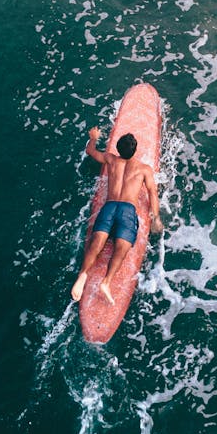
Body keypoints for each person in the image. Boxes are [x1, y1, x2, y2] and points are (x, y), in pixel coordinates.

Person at [70, 127, 163, 303]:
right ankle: (107, 282)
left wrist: (93, 138)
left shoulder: (110, 159)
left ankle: (82, 276)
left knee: (97, 241)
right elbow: (152, 192)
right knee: (122, 246)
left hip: (109, 207)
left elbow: (90, 151)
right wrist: (156, 217)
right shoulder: (144, 169)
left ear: (118, 150)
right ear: (135, 150)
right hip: (127, 211)